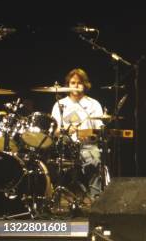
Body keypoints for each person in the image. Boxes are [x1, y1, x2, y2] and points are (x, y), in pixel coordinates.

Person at [51, 68, 104, 200]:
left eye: (79, 82)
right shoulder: (60, 104)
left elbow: (99, 131)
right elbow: (54, 131)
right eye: (72, 82)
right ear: (68, 85)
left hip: (87, 145)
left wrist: (91, 135)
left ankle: (95, 199)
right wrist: (65, 130)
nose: (76, 85)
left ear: (85, 85)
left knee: (94, 160)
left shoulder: (93, 104)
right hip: (65, 146)